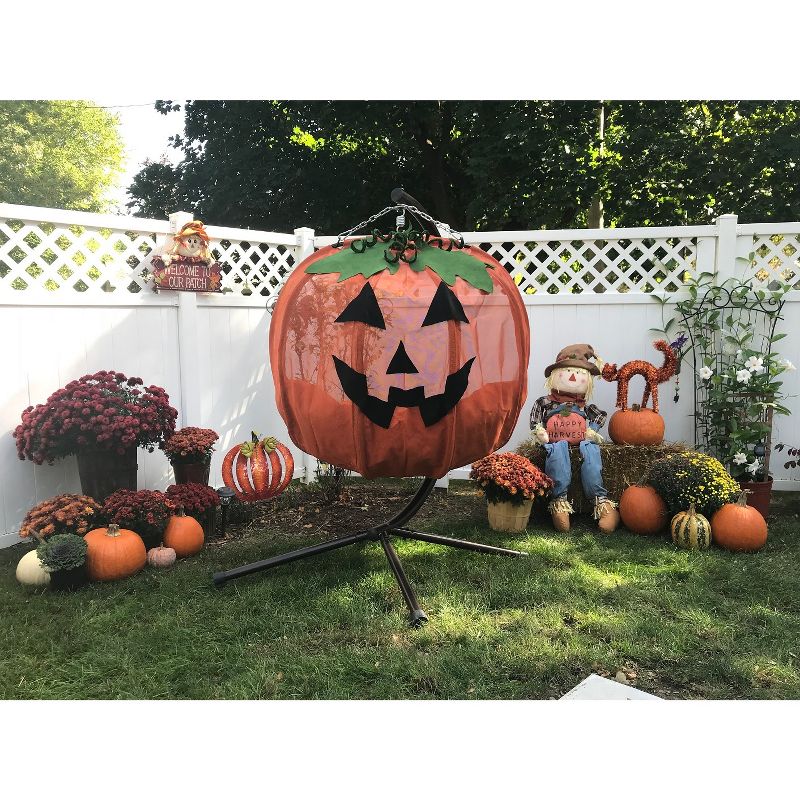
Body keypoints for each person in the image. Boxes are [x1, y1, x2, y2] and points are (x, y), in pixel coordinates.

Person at [530, 343, 620, 533]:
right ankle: (560, 502)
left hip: (580, 442)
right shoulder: (545, 402)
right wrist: (539, 431)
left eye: (578, 373)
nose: (572, 377)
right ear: (555, 375)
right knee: (557, 452)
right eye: (568, 371)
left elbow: (600, 415)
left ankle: (601, 502)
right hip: (555, 442)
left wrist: (592, 430)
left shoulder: (582, 405)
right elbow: (535, 418)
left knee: (591, 450)